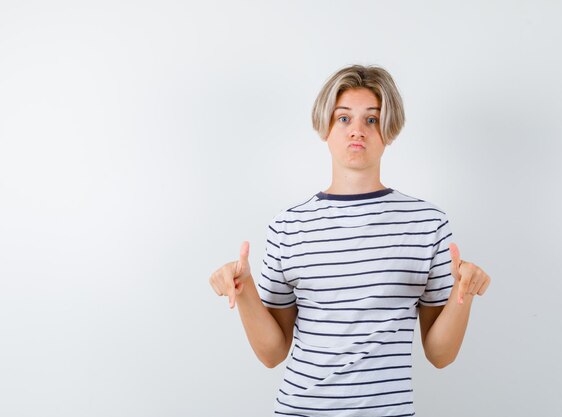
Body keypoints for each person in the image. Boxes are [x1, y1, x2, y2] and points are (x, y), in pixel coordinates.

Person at [208, 64, 491, 417]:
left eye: (371, 119)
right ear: (325, 127)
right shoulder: (288, 226)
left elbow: (440, 354)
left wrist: (463, 294)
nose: (357, 130)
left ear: (389, 130)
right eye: (344, 119)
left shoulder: (426, 223)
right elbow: (272, 354)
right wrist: (244, 289)